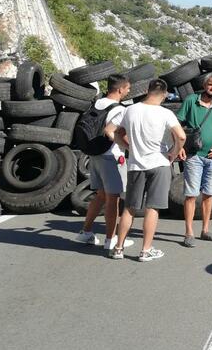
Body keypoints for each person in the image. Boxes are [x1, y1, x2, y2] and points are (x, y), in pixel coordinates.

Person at [110, 79, 186, 262]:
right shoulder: (166, 113)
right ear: (165, 94)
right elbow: (181, 136)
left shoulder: (131, 110)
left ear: (147, 90)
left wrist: (128, 147)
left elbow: (112, 131)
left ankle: (118, 248)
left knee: (129, 207)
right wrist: (173, 153)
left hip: (136, 164)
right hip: (159, 163)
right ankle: (145, 250)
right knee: (153, 207)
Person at [73, 74, 134, 251]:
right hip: (112, 157)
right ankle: (110, 239)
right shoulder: (120, 109)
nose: (128, 91)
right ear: (120, 89)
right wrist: (131, 148)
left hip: (95, 155)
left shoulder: (97, 103)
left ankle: (86, 232)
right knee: (112, 199)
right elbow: (117, 133)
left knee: (100, 196)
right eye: (127, 88)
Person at [176, 73, 212, 248]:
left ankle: (205, 230)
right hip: (193, 156)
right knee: (191, 195)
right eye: (210, 84)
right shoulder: (191, 100)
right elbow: (176, 124)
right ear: (205, 85)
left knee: (209, 194)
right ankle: (189, 233)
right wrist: (179, 147)